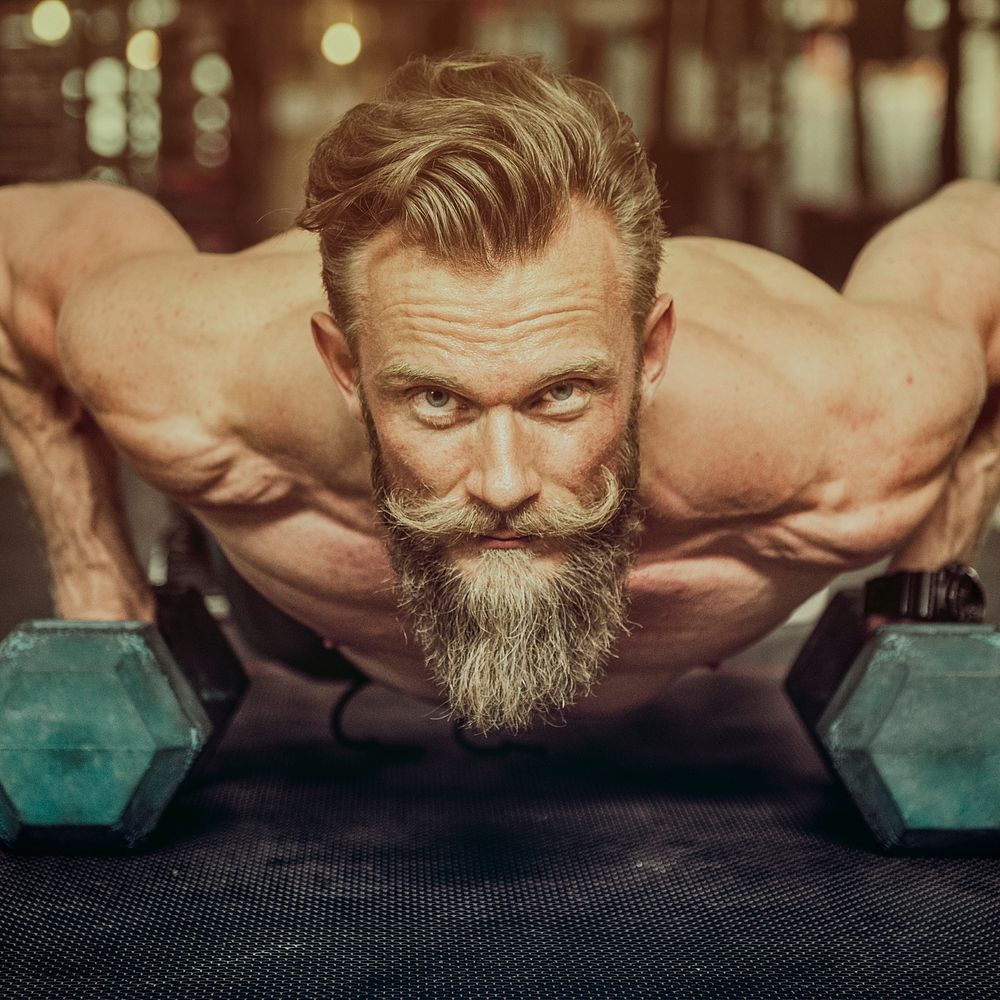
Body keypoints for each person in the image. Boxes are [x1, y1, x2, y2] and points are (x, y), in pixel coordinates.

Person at [0, 52, 998, 734]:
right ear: (344, 368)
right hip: (302, 623)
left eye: (561, 394)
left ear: (651, 351)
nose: (505, 481)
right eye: (436, 400)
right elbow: (20, 253)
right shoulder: (191, 369)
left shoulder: (847, 418)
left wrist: (922, 594)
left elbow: (979, 236)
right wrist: (101, 596)